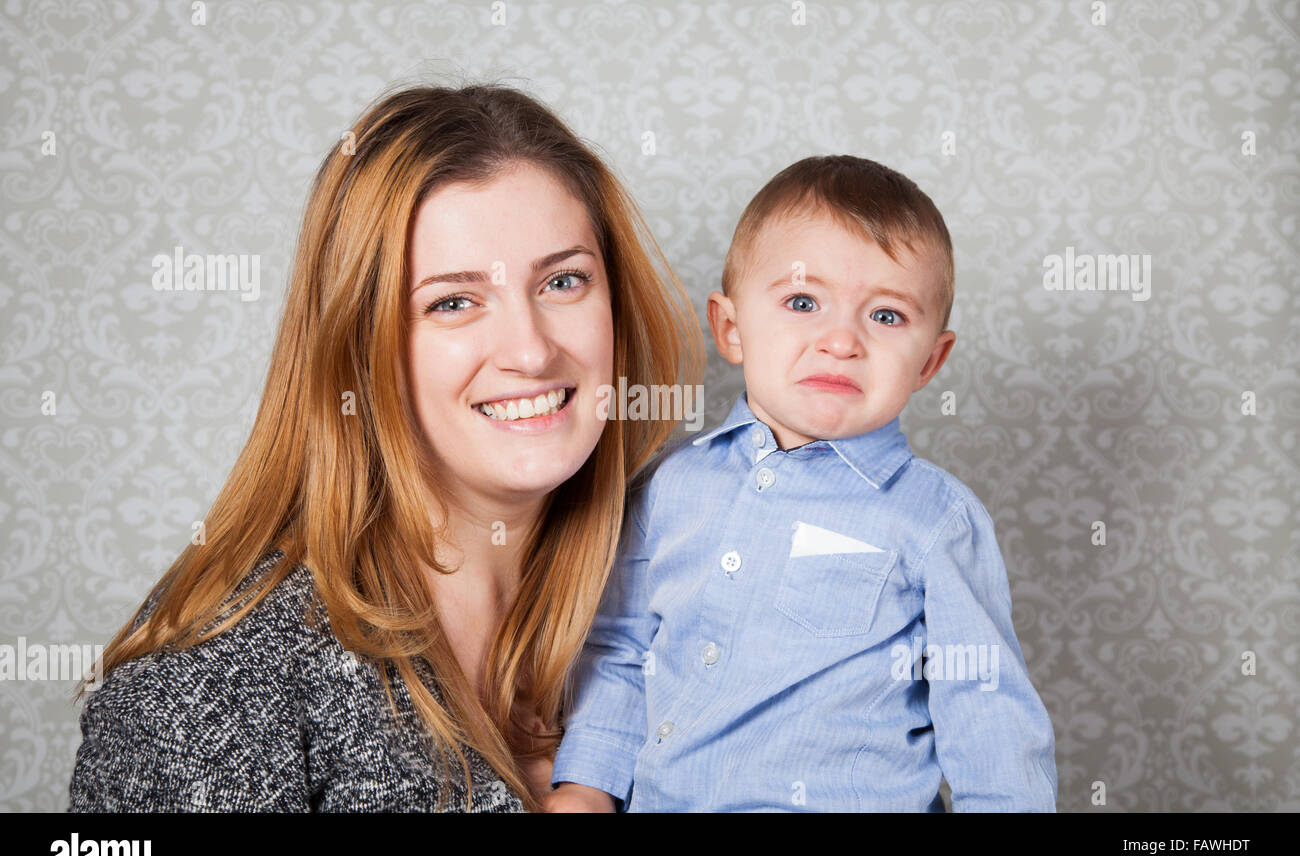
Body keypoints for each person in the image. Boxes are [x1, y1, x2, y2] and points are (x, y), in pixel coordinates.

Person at [66, 81, 703, 813]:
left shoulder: (689, 597)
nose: (529, 351)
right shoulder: (209, 687)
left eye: (563, 281)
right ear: (356, 350)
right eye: (453, 302)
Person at [546, 155, 1058, 812]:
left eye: (887, 316)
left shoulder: (934, 519)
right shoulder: (670, 487)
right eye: (802, 301)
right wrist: (585, 786)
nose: (840, 340)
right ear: (731, 328)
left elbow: (989, 713)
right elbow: (621, 649)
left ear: (930, 359)